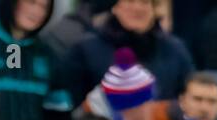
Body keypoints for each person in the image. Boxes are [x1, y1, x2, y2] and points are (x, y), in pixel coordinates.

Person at [64, 0, 194, 106]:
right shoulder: (86, 49)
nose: (138, 8)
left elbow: (187, 99)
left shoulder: (174, 50)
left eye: (145, 2)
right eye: (130, 1)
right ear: (115, 7)